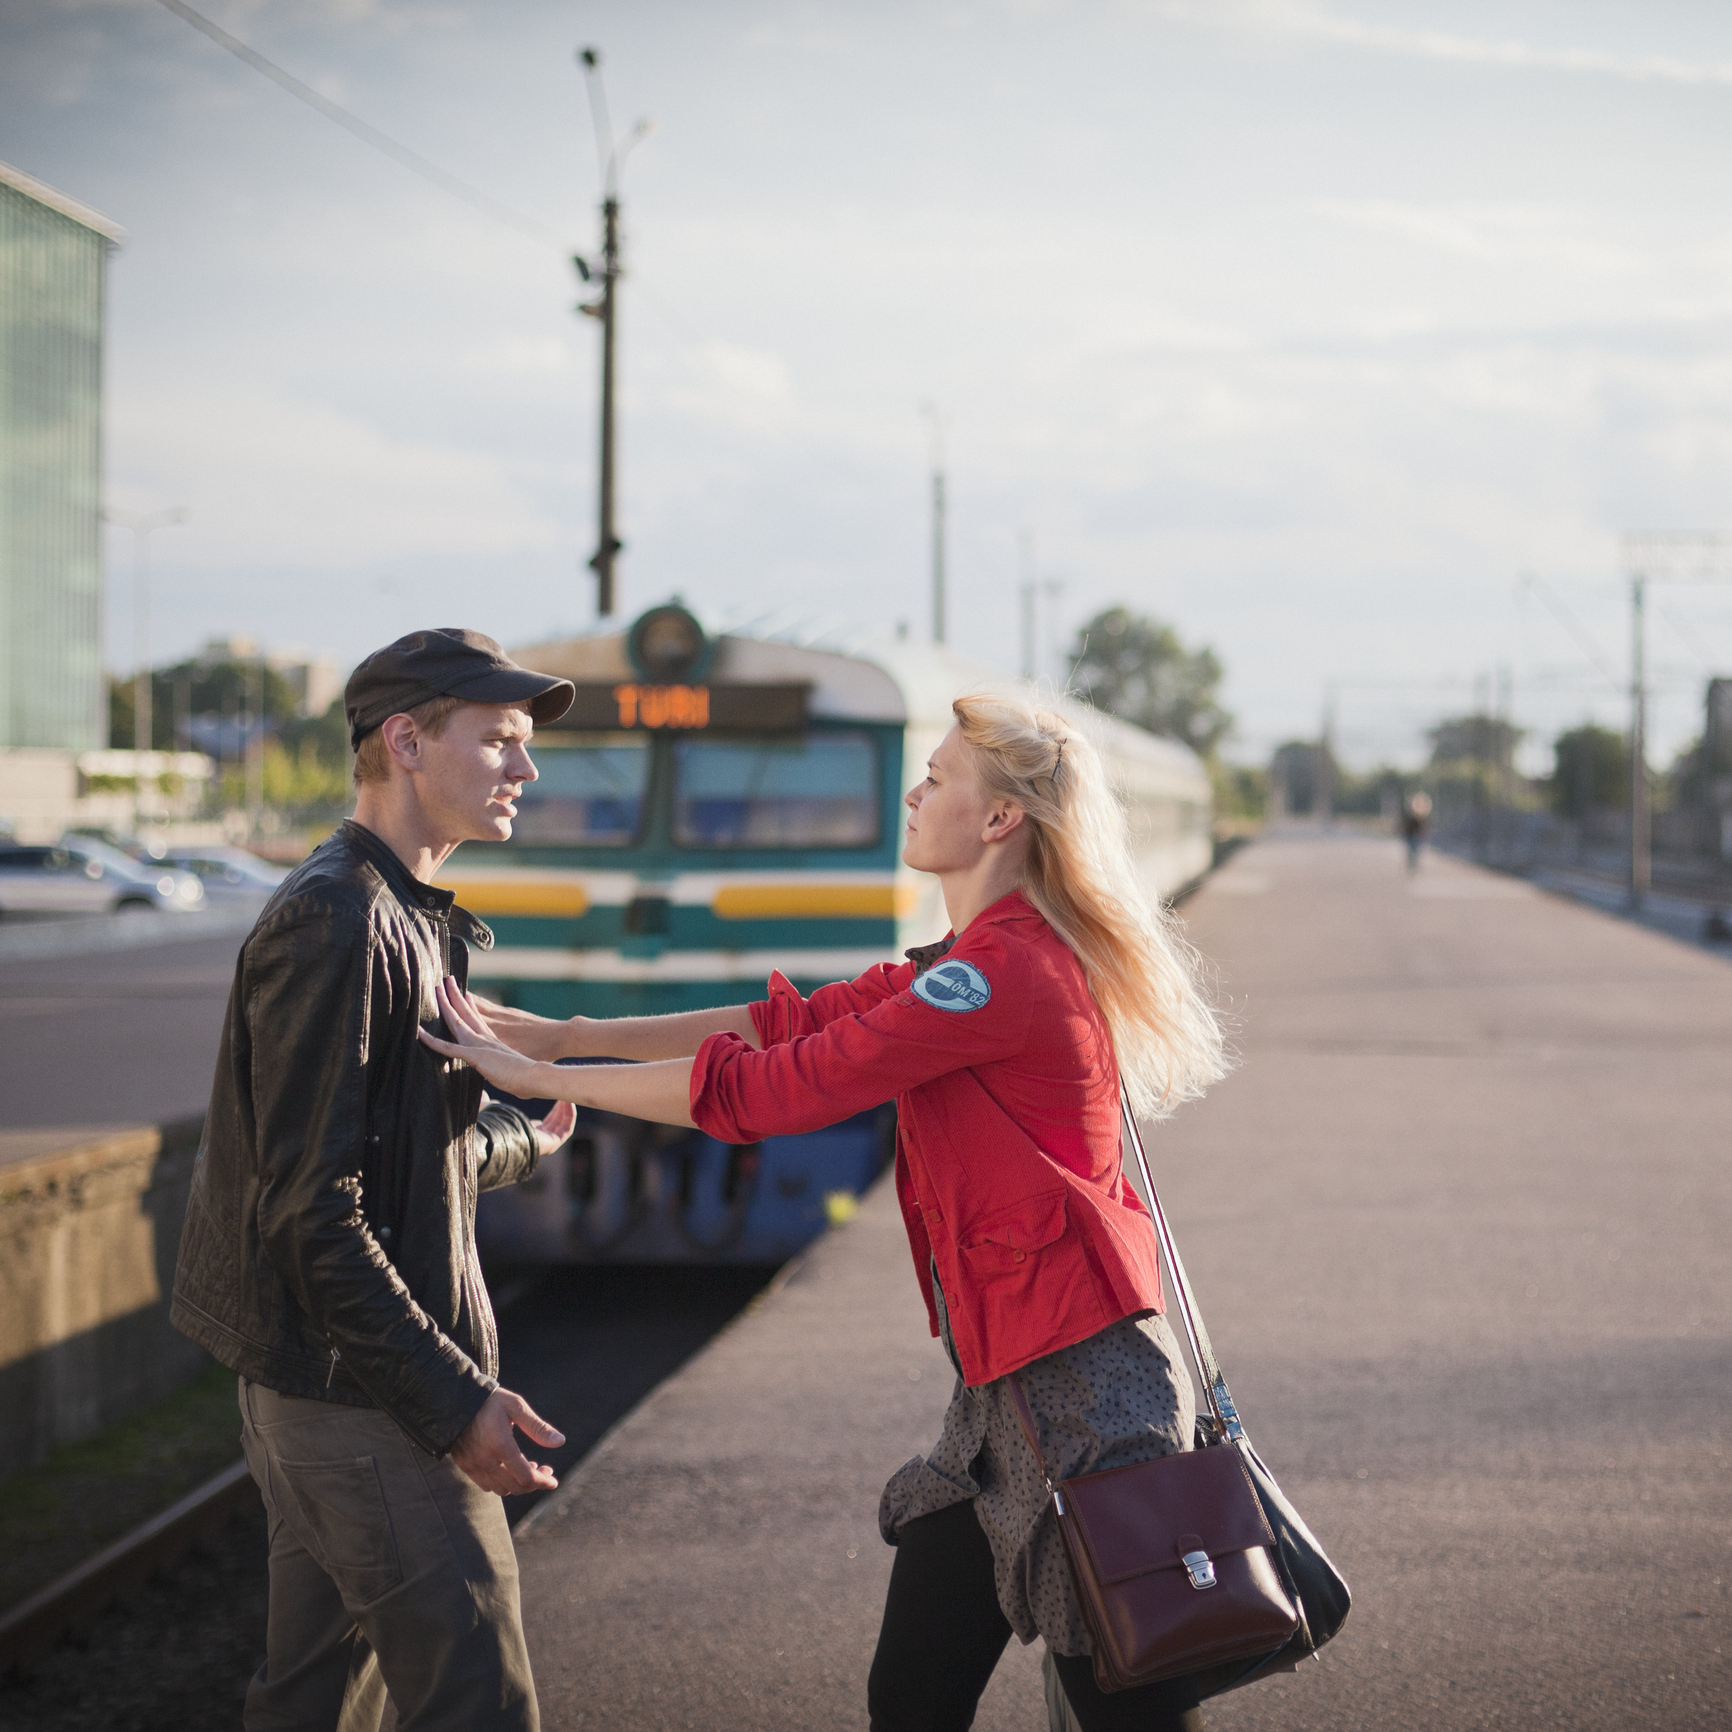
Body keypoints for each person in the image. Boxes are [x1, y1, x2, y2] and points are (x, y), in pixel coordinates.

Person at [425, 689, 1228, 1732]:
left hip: (1087, 1403)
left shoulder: (999, 977)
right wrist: (560, 1036)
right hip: (1004, 1399)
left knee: (1124, 1710)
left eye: (935, 777)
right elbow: (789, 1021)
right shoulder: (968, 965)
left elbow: (774, 1088)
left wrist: (537, 1077)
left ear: (998, 822)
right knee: (910, 1697)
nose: (913, 789)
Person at [171, 628, 581, 1732]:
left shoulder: (402, 914)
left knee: (310, 1706)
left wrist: (519, 1139)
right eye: (497, 739)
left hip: (331, 1387)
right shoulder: (339, 920)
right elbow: (309, 1210)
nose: (524, 768)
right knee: (479, 1702)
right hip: (364, 1402)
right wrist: (455, 1404)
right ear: (405, 741)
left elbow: (398, 1150)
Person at [1402, 789, 1433, 871]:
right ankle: (1412, 863)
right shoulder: (1409, 816)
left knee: (1416, 850)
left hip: (1417, 835)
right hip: (1410, 834)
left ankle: (1414, 863)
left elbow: (1425, 826)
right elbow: (1405, 825)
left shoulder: (1422, 817)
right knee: (1412, 849)